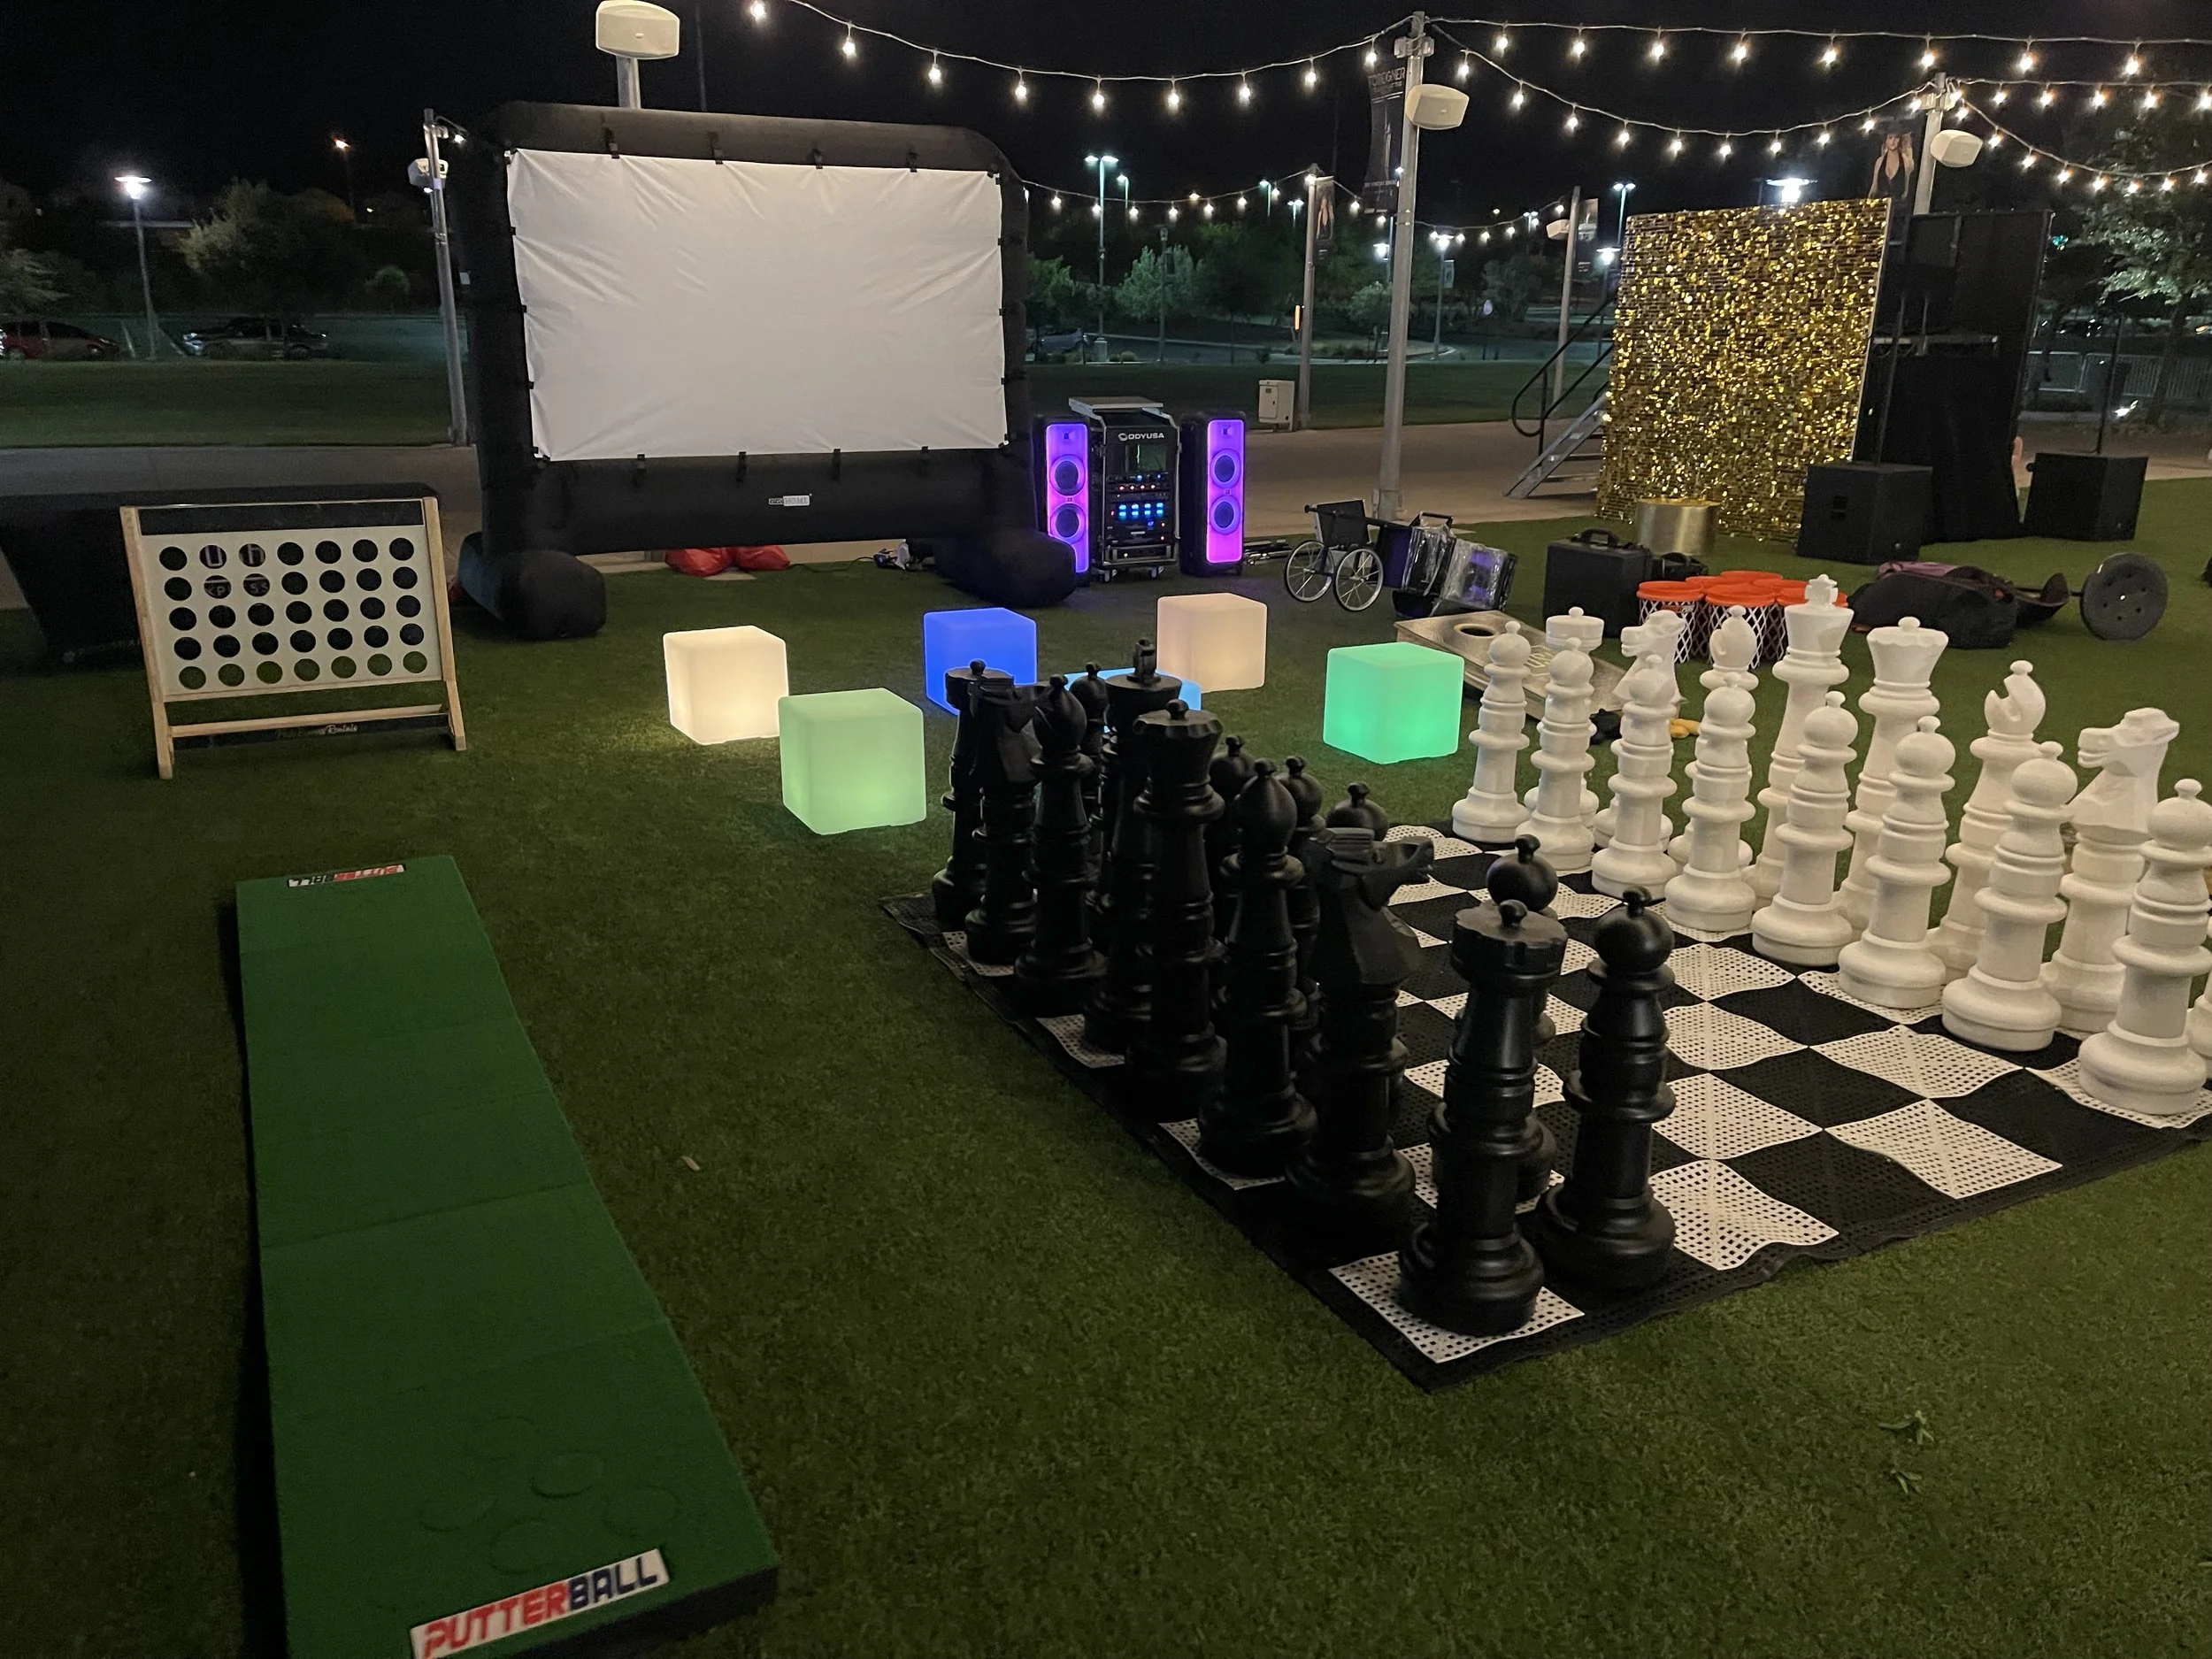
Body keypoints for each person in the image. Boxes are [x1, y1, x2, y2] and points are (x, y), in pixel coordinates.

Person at [1870, 131, 1916, 204]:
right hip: (1881, 207)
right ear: (1886, 141)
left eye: (1896, 138)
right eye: (1890, 138)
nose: (1893, 141)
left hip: (1900, 208)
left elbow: (1907, 191)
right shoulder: (1880, 162)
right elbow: (1874, 187)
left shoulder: (1906, 161)